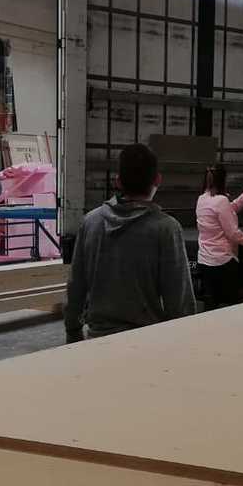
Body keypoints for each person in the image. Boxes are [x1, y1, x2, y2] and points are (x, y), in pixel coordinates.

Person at [65, 143, 196, 343]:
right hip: (146, 344)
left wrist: (73, 331)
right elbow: (179, 300)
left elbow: (76, 286)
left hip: (97, 342)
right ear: (157, 180)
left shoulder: (91, 222)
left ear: (118, 181)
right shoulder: (166, 229)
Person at [195, 165, 243, 309]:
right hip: (223, 262)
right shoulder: (221, 201)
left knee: (211, 304)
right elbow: (233, 233)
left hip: (204, 260)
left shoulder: (202, 199)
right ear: (223, 180)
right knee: (231, 305)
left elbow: (230, 208)